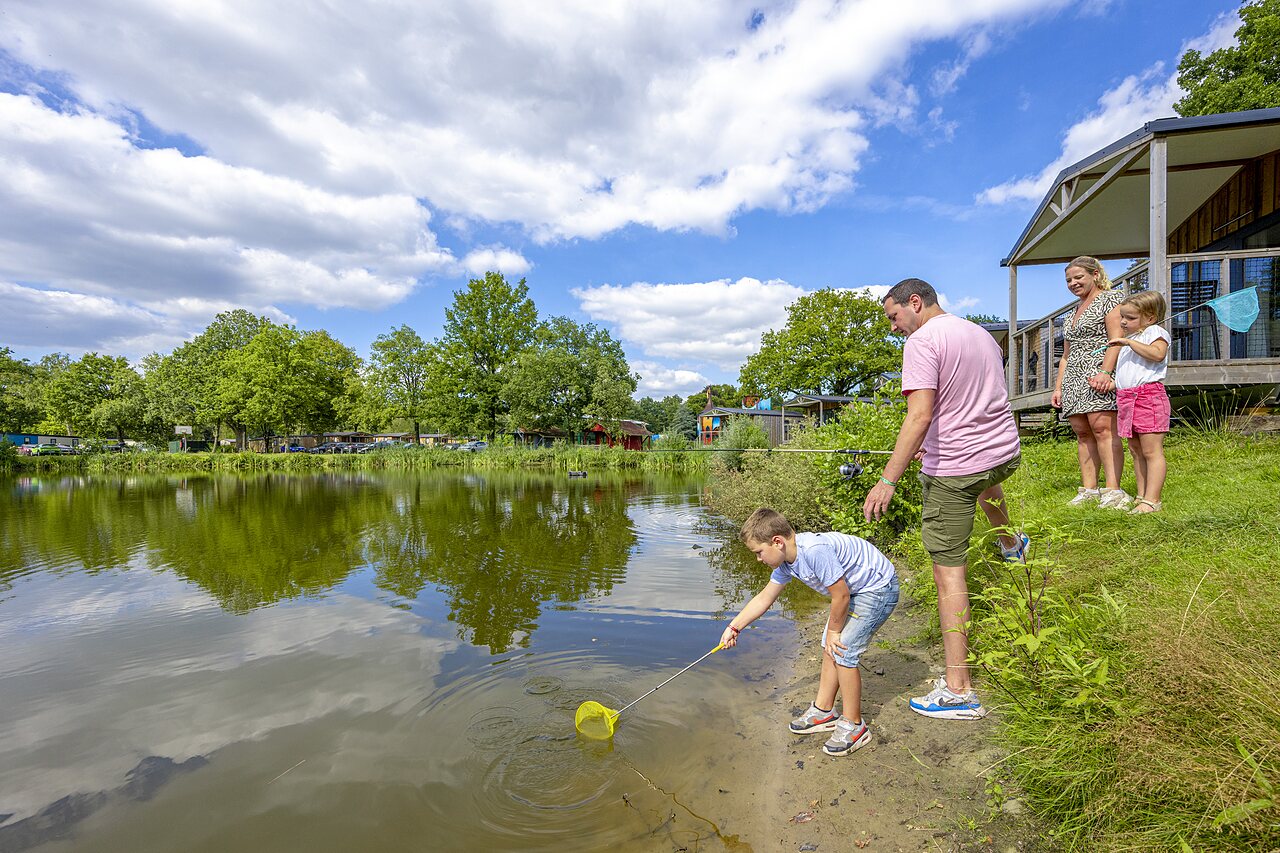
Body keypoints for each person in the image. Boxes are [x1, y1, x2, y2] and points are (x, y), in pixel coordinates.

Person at [864, 278, 1027, 721]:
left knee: (948, 575)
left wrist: (887, 480)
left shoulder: (921, 342)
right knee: (985, 485)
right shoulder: (979, 333)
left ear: (914, 302)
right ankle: (1012, 544)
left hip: (958, 467)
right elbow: (963, 400)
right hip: (1002, 454)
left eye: (894, 317)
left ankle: (960, 690)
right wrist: (929, 440)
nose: (895, 328)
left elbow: (919, 414)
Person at [720, 509, 899, 757]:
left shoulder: (814, 551)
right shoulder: (786, 563)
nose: (758, 559)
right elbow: (765, 597)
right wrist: (734, 627)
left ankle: (855, 725)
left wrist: (836, 631)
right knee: (829, 645)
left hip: (877, 588)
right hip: (854, 591)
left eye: (759, 552)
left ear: (777, 542)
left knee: (843, 651)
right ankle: (825, 710)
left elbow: (841, 595)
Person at [1052, 256, 1128, 509]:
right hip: (1074, 375)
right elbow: (1065, 355)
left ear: (1095, 275)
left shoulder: (1110, 299)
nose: (1073, 283)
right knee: (1082, 433)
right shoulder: (1072, 312)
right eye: (1069, 280)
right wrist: (1059, 386)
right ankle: (1089, 489)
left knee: (1103, 429)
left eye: (1078, 277)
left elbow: (1116, 339)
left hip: (1098, 372)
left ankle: (1113, 489)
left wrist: (1106, 373)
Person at [1106, 291, 1170, 513]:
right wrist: (1113, 383)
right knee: (1135, 449)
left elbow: (1157, 355)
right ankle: (1142, 495)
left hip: (1148, 397)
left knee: (1151, 451)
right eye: (1123, 317)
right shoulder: (1131, 339)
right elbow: (1132, 371)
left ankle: (1153, 500)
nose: (1123, 322)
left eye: (1130, 318)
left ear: (1150, 317)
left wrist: (1126, 343)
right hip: (1127, 398)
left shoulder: (1156, 332)